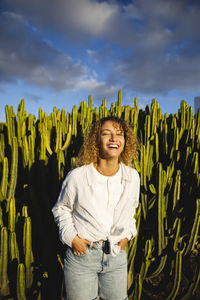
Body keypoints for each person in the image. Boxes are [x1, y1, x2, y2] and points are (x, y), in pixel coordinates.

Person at [52, 116, 140, 300]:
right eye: (106, 134)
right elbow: (61, 209)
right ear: (96, 140)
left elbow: (132, 210)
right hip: (82, 256)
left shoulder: (133, 177)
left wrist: (128, 234)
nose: (114, 139)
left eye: (119, 134)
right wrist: (72, 238)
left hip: (116, 256)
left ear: (125, 140)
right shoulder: (77, 177)